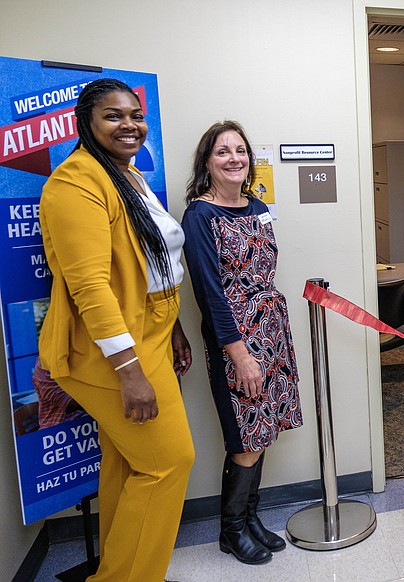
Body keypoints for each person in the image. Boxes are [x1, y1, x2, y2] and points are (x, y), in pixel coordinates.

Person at [38, 78, 195, 581]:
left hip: (150, 330)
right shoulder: (75, 182)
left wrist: (170, 327)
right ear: (85, 123)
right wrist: (129, 372)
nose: (129, 125)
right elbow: (90, 289)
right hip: (107, 350)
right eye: (113, 115)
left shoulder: (126, 175)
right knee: (169, 463)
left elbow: (151, 262)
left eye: (135, 115)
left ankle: (116, 569)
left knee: (127, 463)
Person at [181, 121, 303, 565]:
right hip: (236, 340)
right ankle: (230, 529)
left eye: (240, 150)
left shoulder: (256, 205)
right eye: (222, 152)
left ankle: (249, 520)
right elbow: (209, 293)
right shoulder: (199, 216)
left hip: (270, 332)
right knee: (245, 436)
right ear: (207, 162)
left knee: (262, 429)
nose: (234, 158)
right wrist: (240, 355)